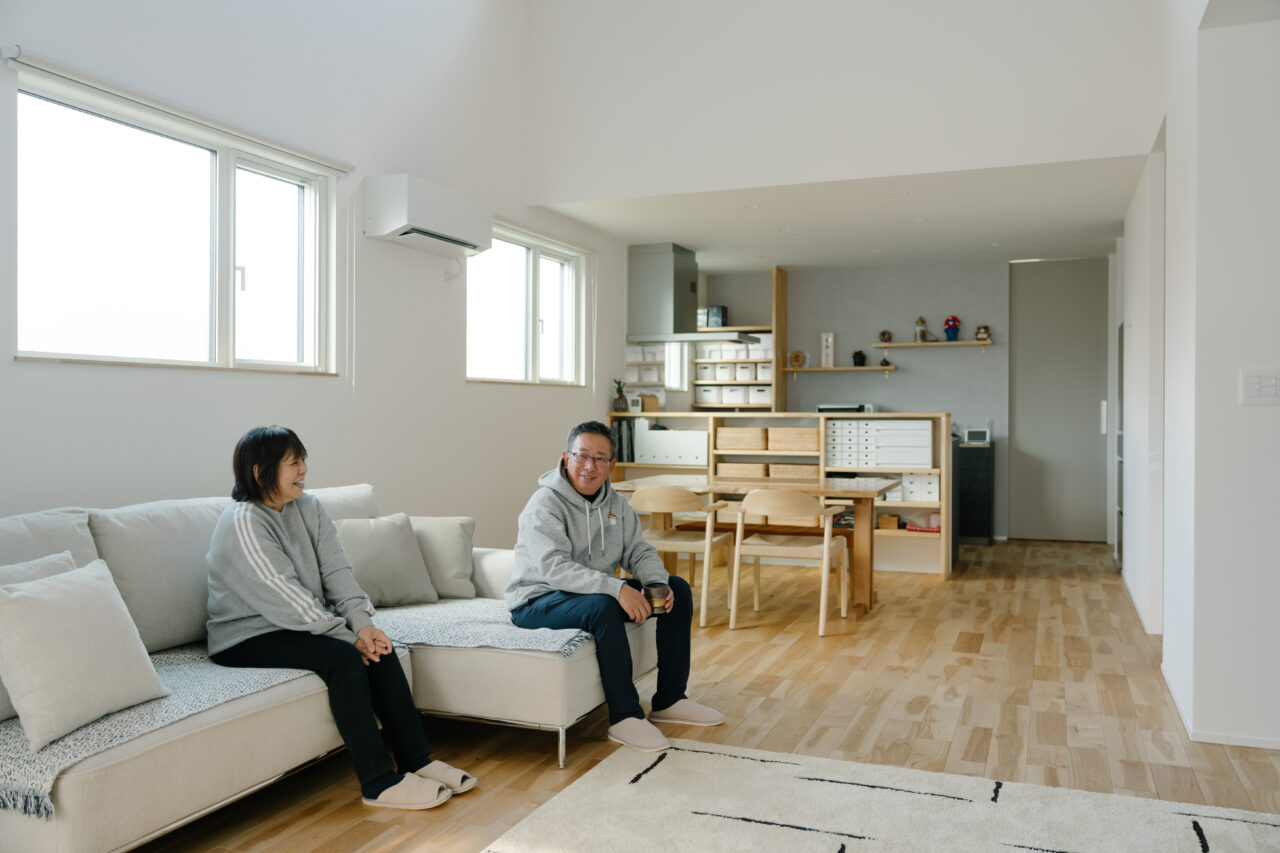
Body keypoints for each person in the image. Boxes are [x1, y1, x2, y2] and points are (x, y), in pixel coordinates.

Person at [206, 425, 478, 810]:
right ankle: (378, 783)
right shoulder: (244, 522)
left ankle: (417, 760)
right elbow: (284, 596)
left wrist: (363, 624)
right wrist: (346, 637)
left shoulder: (309, 508)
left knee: (380, 646)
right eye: (294, 463)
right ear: (259, 471)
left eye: (304, 461)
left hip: (298, 625)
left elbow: (337, 572)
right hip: (246, 635)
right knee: (344, 657)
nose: (304, 470)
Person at [507, 420, 724, 752]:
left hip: (590, 591)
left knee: (676, 590)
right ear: (566, 458)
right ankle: (625, 716)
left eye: (600, 458)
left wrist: (655, 583)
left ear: (612, 465)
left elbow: (637, 550)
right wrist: (616, 588)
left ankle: (669, 699)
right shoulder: (545, 503)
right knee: (604, 605)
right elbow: (554, 568)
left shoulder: (617, 505)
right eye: (582, 456)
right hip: (538, 599)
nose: (589, 466)